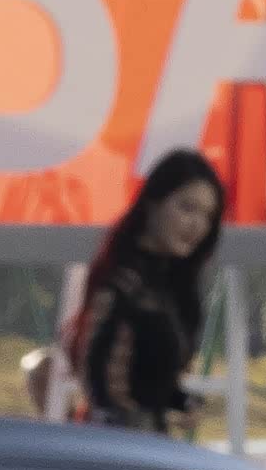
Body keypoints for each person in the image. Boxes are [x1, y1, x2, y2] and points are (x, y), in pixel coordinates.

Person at [75, 150, 225, 434]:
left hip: (148, 441)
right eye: (187, 208)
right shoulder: (123, 282)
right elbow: (98, 383)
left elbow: (151, 382)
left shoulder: (172, 286)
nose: (197, 226)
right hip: (119, 444)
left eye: (208, 216)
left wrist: (183, 402)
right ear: (153, 203)